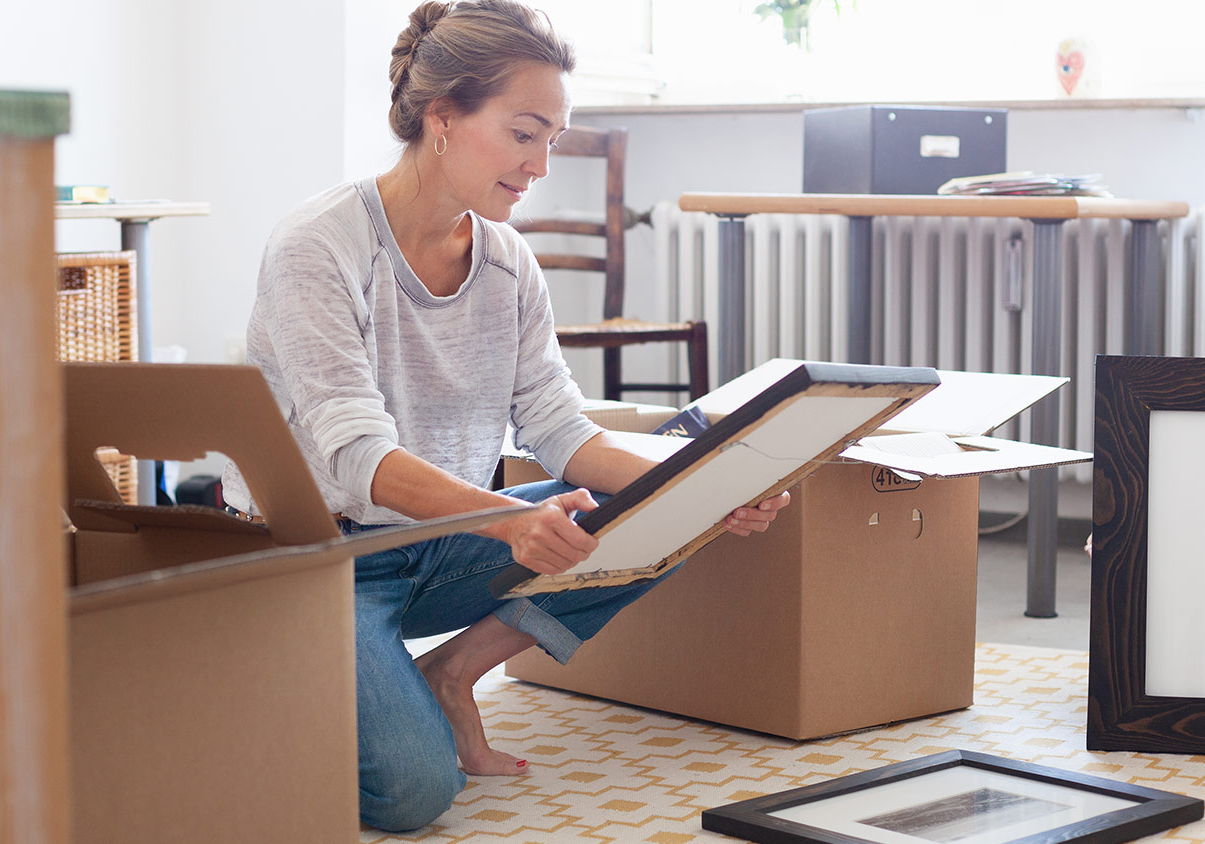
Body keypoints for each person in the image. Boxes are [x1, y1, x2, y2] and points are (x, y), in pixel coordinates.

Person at [219, 0, 789, 833]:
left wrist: (707, 488)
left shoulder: (505, 259)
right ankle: (268, 689)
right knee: (414, 795)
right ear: (442, 118)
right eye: (525, 134)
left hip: (429, 545)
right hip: (312, 558)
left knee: (665, 511)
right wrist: (503, 523)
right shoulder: (321, 245)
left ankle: (450, 674)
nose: (543, 164)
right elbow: (354, 454)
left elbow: (560, 429)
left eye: (553, 138)